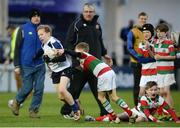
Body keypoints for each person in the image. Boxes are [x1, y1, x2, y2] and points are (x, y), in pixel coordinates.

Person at [57, 42, 136, 123]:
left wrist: (65, 50)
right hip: (109, 72)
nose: (76, 53)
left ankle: (114, 117)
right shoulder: (85, 60)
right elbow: (77, 70)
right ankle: (131, 114)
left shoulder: (84, 54)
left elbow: (77, 54)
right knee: (114, 97)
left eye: (77, 51)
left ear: (83, 51)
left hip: (103, 74)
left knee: (101, 97)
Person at [61, 3, 112, 116]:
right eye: (86, 12)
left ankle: (106, 113)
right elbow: (69, 43)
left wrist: (104, 53)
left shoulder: (97, 25)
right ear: (83, 12)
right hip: (80, 65)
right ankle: (66, 110)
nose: (88, 14)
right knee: (74, 90)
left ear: (94, 13)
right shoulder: (76, 24)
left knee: (101, 90)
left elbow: (100, 41)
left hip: (95, 65)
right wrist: (75, 58)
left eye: (90, 12)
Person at [37, 24, 80, 120]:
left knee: (62, 90)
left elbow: (63, 57)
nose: (40, 37)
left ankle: (76, 110)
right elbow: (45, 55)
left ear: (48, 33)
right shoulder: (43, 45)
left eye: (42, 34)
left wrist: (49, 59)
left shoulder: (54, 42)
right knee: (61, 97)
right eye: (39, 35)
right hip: (55, 72)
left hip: (65, 68)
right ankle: (75, 102)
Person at [10, 8, 46, 118]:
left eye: (38, 16)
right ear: (30, 17)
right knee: (27, 87)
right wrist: (16, 65)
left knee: (39, 88)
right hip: (26, 64)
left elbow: (47, 45)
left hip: (40, 64)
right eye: (34, 16)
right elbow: (17, 48)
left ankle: (33, 111)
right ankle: (17, 101)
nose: (37, 18)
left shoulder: (43, 30)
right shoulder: (23, 29)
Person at [127, 12, 148, 106]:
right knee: (137, 86)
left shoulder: (148, 32)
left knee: (148, 86)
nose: (143, 20)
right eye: (142, 18)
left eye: (145, 19)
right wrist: (139, 57)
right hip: (136, 62)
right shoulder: (133, 31)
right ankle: (137, 106)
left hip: (147, 63)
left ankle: (147, 106)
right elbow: (129, 48)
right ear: (138, 19)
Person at [152, 23, 176, 108]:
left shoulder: (169, 42)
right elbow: (154, 55)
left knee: (166, 91)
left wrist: (160, 57)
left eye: (161, 32)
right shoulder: (155, 42)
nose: (159, 34)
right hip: (159, 71)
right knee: (161, 92)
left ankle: (171, 111)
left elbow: (173, 56)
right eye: (157, 32)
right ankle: (165, 112)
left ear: (166, 33)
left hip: (168, 71)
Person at [137, 23, 156, 97]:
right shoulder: (141, 44)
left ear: (152, 32)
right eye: (143, 32)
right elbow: (140, 60)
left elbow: (157, 58)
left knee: (154, 95)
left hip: (155, 74)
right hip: (144, 73)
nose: (145, 34)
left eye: (147, 32)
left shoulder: (156, 43)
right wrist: (153, 59)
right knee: (141, 93)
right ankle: (140, 108)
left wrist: (154, 58)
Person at [5, 25, 22, 91]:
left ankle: (25, 93)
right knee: (17, 77)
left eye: (9, 31)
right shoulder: (13, 37)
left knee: (19, 77)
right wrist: (9, 59)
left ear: (12, 29)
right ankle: (21, 92)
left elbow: (17, 48)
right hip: (16, 60)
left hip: (20, 60)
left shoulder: (17, 35)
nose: (8, 33)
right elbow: (13, 49)